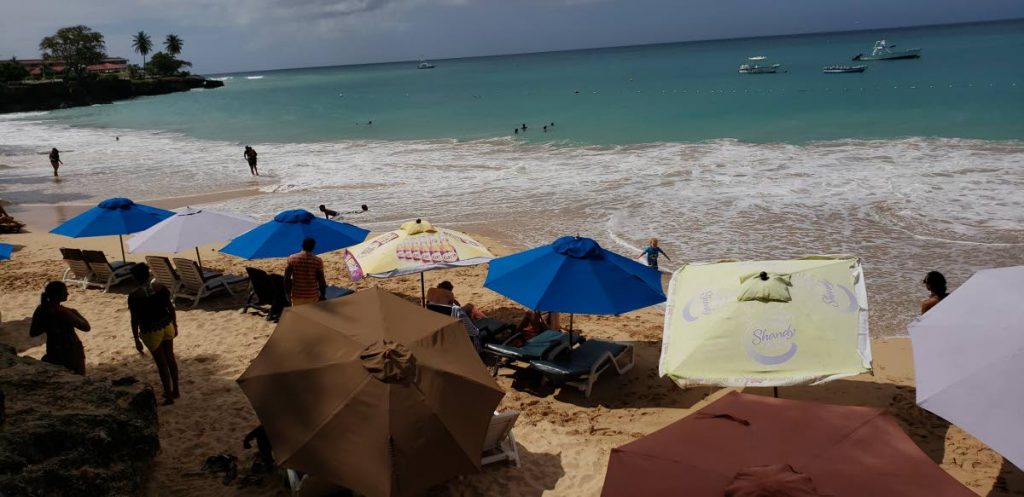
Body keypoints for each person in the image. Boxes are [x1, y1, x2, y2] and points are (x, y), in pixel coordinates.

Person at [127, 263, 180, 405]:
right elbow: (170, 308)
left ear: (136, 277)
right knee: (170, 359)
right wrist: (174, 324)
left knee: (162, 364)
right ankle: (175, 390)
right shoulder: (160, 288)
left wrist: (136, 339)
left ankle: (168, 396)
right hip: (166, 325)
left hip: (150, 330)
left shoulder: (134, 296)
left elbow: (134, 320)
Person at [29, 281, 90, 375]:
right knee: (78, 377)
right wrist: (76, 312)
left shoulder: (41, 309)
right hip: (70, 350)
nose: (67, 293)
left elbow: (33, 332)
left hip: (53, 349)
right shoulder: (63, 312)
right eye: (65, 291)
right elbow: (86, 327)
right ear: (57, 295)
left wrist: (49, 325)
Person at [285, 237, 326, 306]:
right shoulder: (317, 261)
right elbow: (321, 280)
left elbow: (286, 278)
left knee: (299, 315)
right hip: (312, 295)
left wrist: (287, 294)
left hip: (297, 295)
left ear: (302, 245)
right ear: (313, 247)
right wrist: (323, 295)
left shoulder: (292, 258)